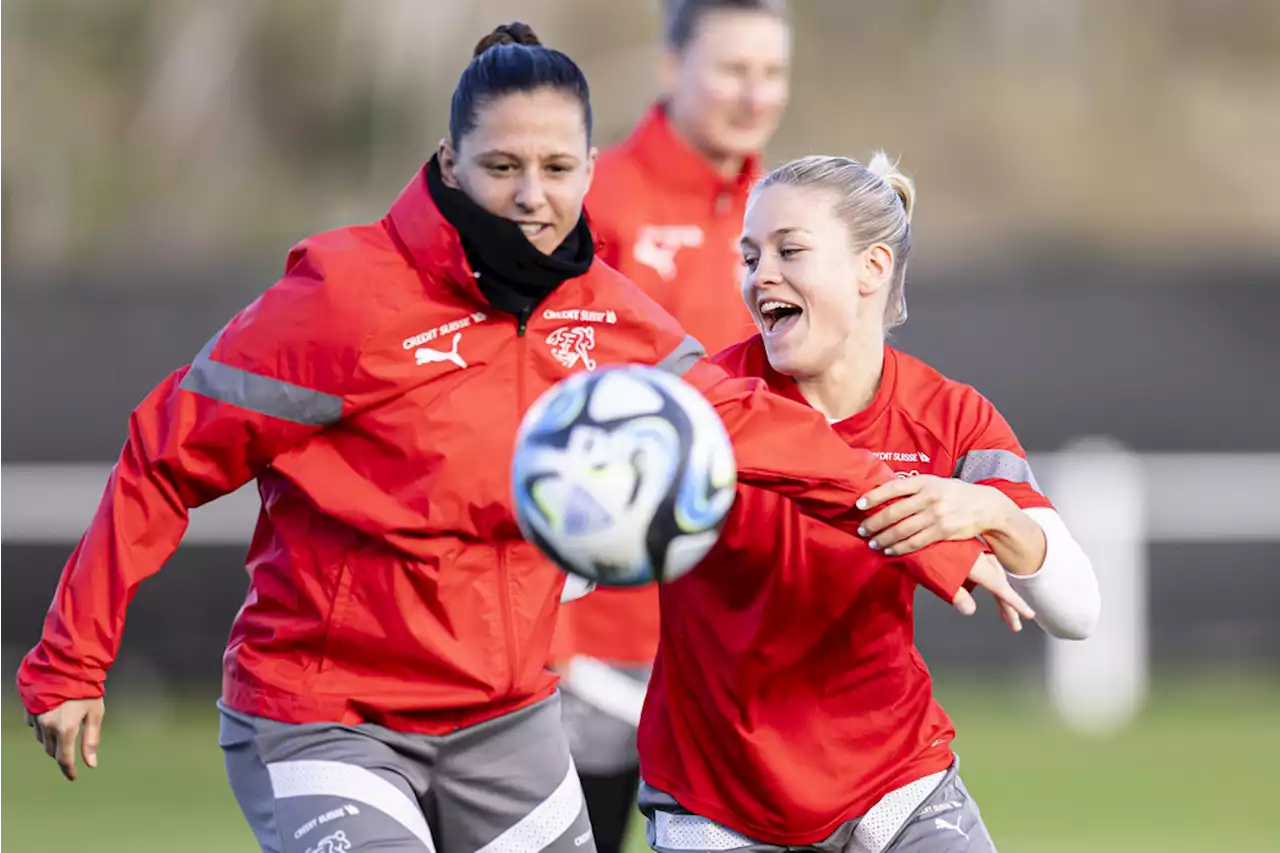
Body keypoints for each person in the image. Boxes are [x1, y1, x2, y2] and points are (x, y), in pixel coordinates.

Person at [15, 26, 1021, 853]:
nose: (532, 196)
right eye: (501, 166)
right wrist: (71, 661)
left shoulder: (605, 316)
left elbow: (748, 424)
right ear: (451, 161)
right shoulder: (340, 299)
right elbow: (162, 454)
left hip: (505, 721)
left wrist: (930, 535)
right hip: (327, 714)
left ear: (591, 167)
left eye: (554, 167)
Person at [636, 154, 1102, 853]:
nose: (761, 275)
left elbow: (1078, 611)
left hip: (897, 787)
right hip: (719, 802)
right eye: (750, 255)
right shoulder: (703, 401)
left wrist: (992, 514)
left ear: (872, 268)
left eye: (790, 250)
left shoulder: (950, 418)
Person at [555, 3, 791, 846]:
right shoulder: (593, 198)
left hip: (737, 621)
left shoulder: (788, 217)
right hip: (599, 627)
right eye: (733, 69)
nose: (754, 93)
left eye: (771, 72)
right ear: (670, 69)